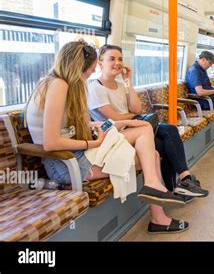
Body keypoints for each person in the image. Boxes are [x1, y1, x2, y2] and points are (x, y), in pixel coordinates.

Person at [25, 41, 189, 234]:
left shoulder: (60, 84)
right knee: (148, 143)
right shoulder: (58, 85)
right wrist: (93, 142)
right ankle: (157, 207)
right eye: (91, 70)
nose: (90, 74)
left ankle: (156, 206)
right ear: (79, 67)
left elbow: (69, 127)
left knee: (147, 139)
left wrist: (114, 125)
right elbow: (51, 142)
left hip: (76, 153)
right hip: (64, 163)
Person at [87, 44, 208, 199]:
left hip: (133, 129)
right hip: (116, 136)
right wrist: (131, 116)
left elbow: (137, 109)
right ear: (100, 63)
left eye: (120, 59)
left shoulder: (120, 85)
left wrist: (128, 81)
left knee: (169, 134)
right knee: (167, 141)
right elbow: (114, 118)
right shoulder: (95, 87)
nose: (117, 63)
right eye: (112, 59)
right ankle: (180, 184)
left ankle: (180, 184)